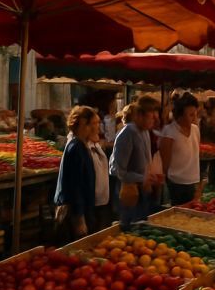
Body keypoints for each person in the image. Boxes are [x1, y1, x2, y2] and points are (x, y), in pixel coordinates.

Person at [110, 95, 160, 229]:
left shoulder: (144, 132)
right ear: (139, 115)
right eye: (151, 116)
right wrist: (142, 178)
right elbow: (117, 170)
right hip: (129, 195)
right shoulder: (127, 133)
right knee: (129, 233)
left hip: (142, 193)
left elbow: (145, 161)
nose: (155, 119)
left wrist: (150, 176)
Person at [54, 106, 100, 242]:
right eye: (94, 124)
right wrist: (79, 219)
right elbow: (75, 186)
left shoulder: (82, 145)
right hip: (74, 213)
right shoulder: (76, 148)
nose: (98, 128)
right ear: (83, 125)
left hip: (84, 209)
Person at [160, 92, 202, 205]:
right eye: (191, 115)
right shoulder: (169, 132)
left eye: (195, 114)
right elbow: (165, 163)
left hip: (193, 180)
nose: (195, 118)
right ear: (180, 116)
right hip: (176, 183)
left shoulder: (195, 129)